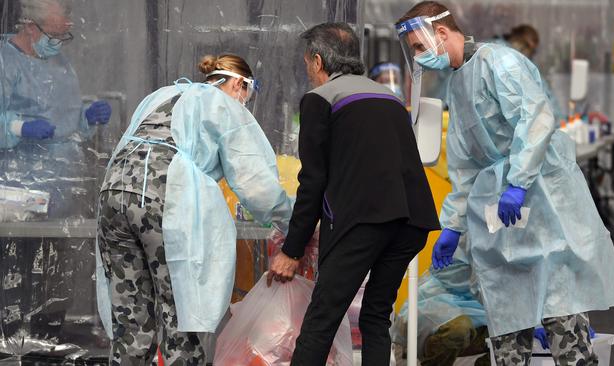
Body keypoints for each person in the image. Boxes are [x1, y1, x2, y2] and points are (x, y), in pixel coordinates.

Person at [396, 2, 614, 365]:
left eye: (420, 47)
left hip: (541, 201)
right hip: (501, 218)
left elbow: (535, 119)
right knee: (505, 307)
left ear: (441, 32)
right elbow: (464, 165)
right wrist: (452, 226)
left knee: (557, 304)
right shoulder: (458, 85)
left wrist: (517, 182)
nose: (419, 58)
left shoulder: (498, 63)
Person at [95, 54, 294, 365]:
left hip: (112, 196)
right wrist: (290, 219)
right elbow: (254, 181)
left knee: (131, 323)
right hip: (163, 199)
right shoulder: (222, 104)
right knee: (181, 320)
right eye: (246, 96)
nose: (243, 104)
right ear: (240, 84)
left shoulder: (163, 95)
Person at [267, 23, 439, 366]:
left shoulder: (320, 100)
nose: (308, 73)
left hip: (363, 220)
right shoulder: (388, 98)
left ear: (317, 61)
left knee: (322, 318)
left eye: (306, 65)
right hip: (413, 222)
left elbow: (313, 181)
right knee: (376, 315)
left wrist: (292, 249)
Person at [0, 0, 111, 341]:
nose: (59, 44)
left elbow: (64, 121)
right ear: (30, 27)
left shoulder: (59, 62)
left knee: (55, 267)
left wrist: (86, 119)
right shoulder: (5, 61)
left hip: (62, 184)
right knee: (15, 263)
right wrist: (18, 128)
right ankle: (11, 338)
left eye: (65, 37)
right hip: (18, 186)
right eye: (54, 35)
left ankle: (46, 338)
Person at [391, 244, 489, 366]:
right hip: (438, 300)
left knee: (515, 332)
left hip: (482, 310)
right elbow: (456, 278)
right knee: (458, 329)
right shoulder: (464, 235)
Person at [492, 24, 565, 122]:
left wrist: (559, 119)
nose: (530, 54)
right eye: (530, 50)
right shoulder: (503, 54)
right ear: (521, 42)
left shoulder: (516, 57)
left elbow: (542, 90)